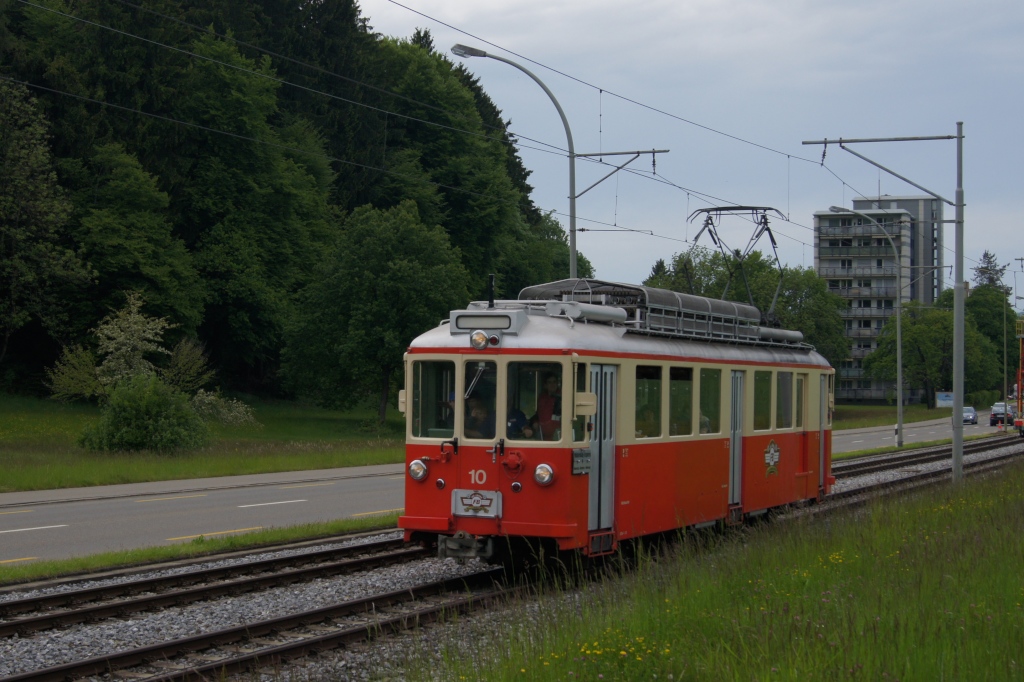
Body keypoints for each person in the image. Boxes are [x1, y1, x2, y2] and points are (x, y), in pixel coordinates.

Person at [531, 373, 562, 440]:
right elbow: (539, 414)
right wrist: (535, 421)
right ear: (545, 385)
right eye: (549, 382)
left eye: (554, 382)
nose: (552, 384)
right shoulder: (542, 398)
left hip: (558, 436)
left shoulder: (562, 397)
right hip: (543, 435)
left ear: (557, 384)